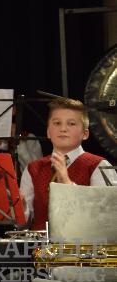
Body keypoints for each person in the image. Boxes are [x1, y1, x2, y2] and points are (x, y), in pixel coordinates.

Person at [19, 98, 117, 230]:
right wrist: (20, 207)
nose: (63, 129)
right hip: (40, 243)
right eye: (57, 123)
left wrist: (66, 182)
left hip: (82, 242)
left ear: (85, 134)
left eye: (71, 124)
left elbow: (107, 217)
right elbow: (23, 224)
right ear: (48, 132)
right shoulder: (33, 168)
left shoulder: (98, 165)